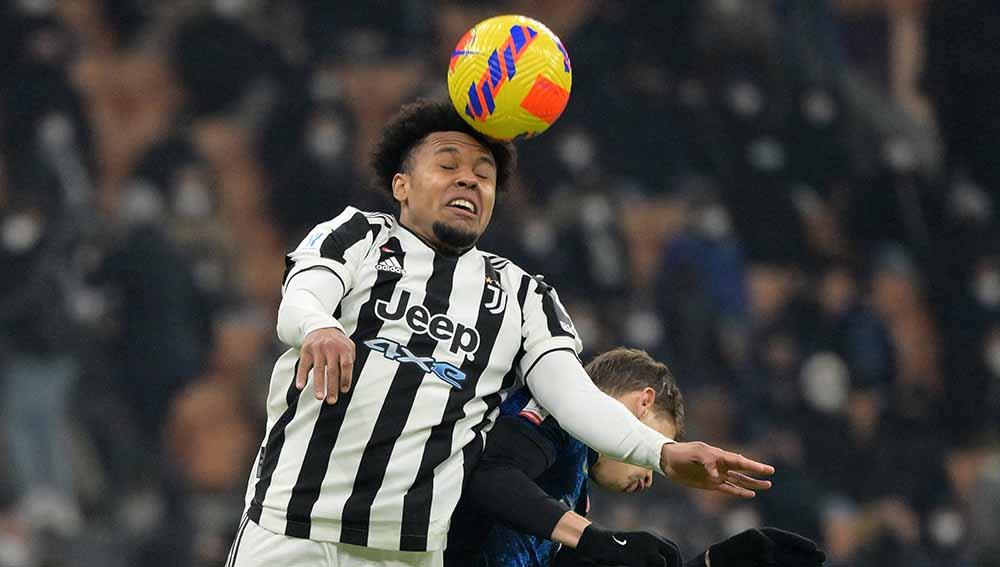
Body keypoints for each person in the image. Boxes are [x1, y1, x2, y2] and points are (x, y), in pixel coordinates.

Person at [228, 99, 774, 567]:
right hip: (288, 534)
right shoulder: (357, 236)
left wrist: (661, 452)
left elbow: (574, 397)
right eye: (448, 164)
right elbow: (301, 295)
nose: (469, 178)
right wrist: (320, 325)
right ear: (401, 184)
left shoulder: (522, 296)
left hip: (408, 554)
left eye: (484, 173)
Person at [448, 347, 824, 567]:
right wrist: (601, 541)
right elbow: (489, 476)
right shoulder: (557, 412)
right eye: (658, 448)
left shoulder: (572, 486)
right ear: (644, 404)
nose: (649, 478)